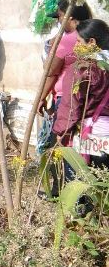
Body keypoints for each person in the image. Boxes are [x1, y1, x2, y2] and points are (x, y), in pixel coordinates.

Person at [52, 19, 109, 168]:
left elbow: (71, 105)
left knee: (84, 184)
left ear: (91, 42)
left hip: (90, 138)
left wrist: (61, 131)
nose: (76, 46)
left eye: (78, 41)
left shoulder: (82, 68)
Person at [38, 0, 93, 116]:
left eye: (60, 15)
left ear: (70, 17)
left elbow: (51, 71)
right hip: (87, 97)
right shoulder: (91, 34)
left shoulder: (67, 40)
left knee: (60, 133)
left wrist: (41, 98)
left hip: (67, 98)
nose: (58, 20)